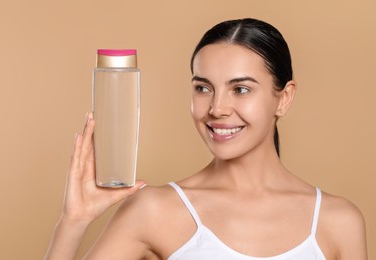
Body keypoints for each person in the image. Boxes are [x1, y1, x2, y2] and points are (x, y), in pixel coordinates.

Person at [45, 18, 367, 260]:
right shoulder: (153, 211)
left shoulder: (338, 222)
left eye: (240, 89)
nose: (216, 108)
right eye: (203, 88)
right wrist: (72, 221)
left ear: (283, 98)